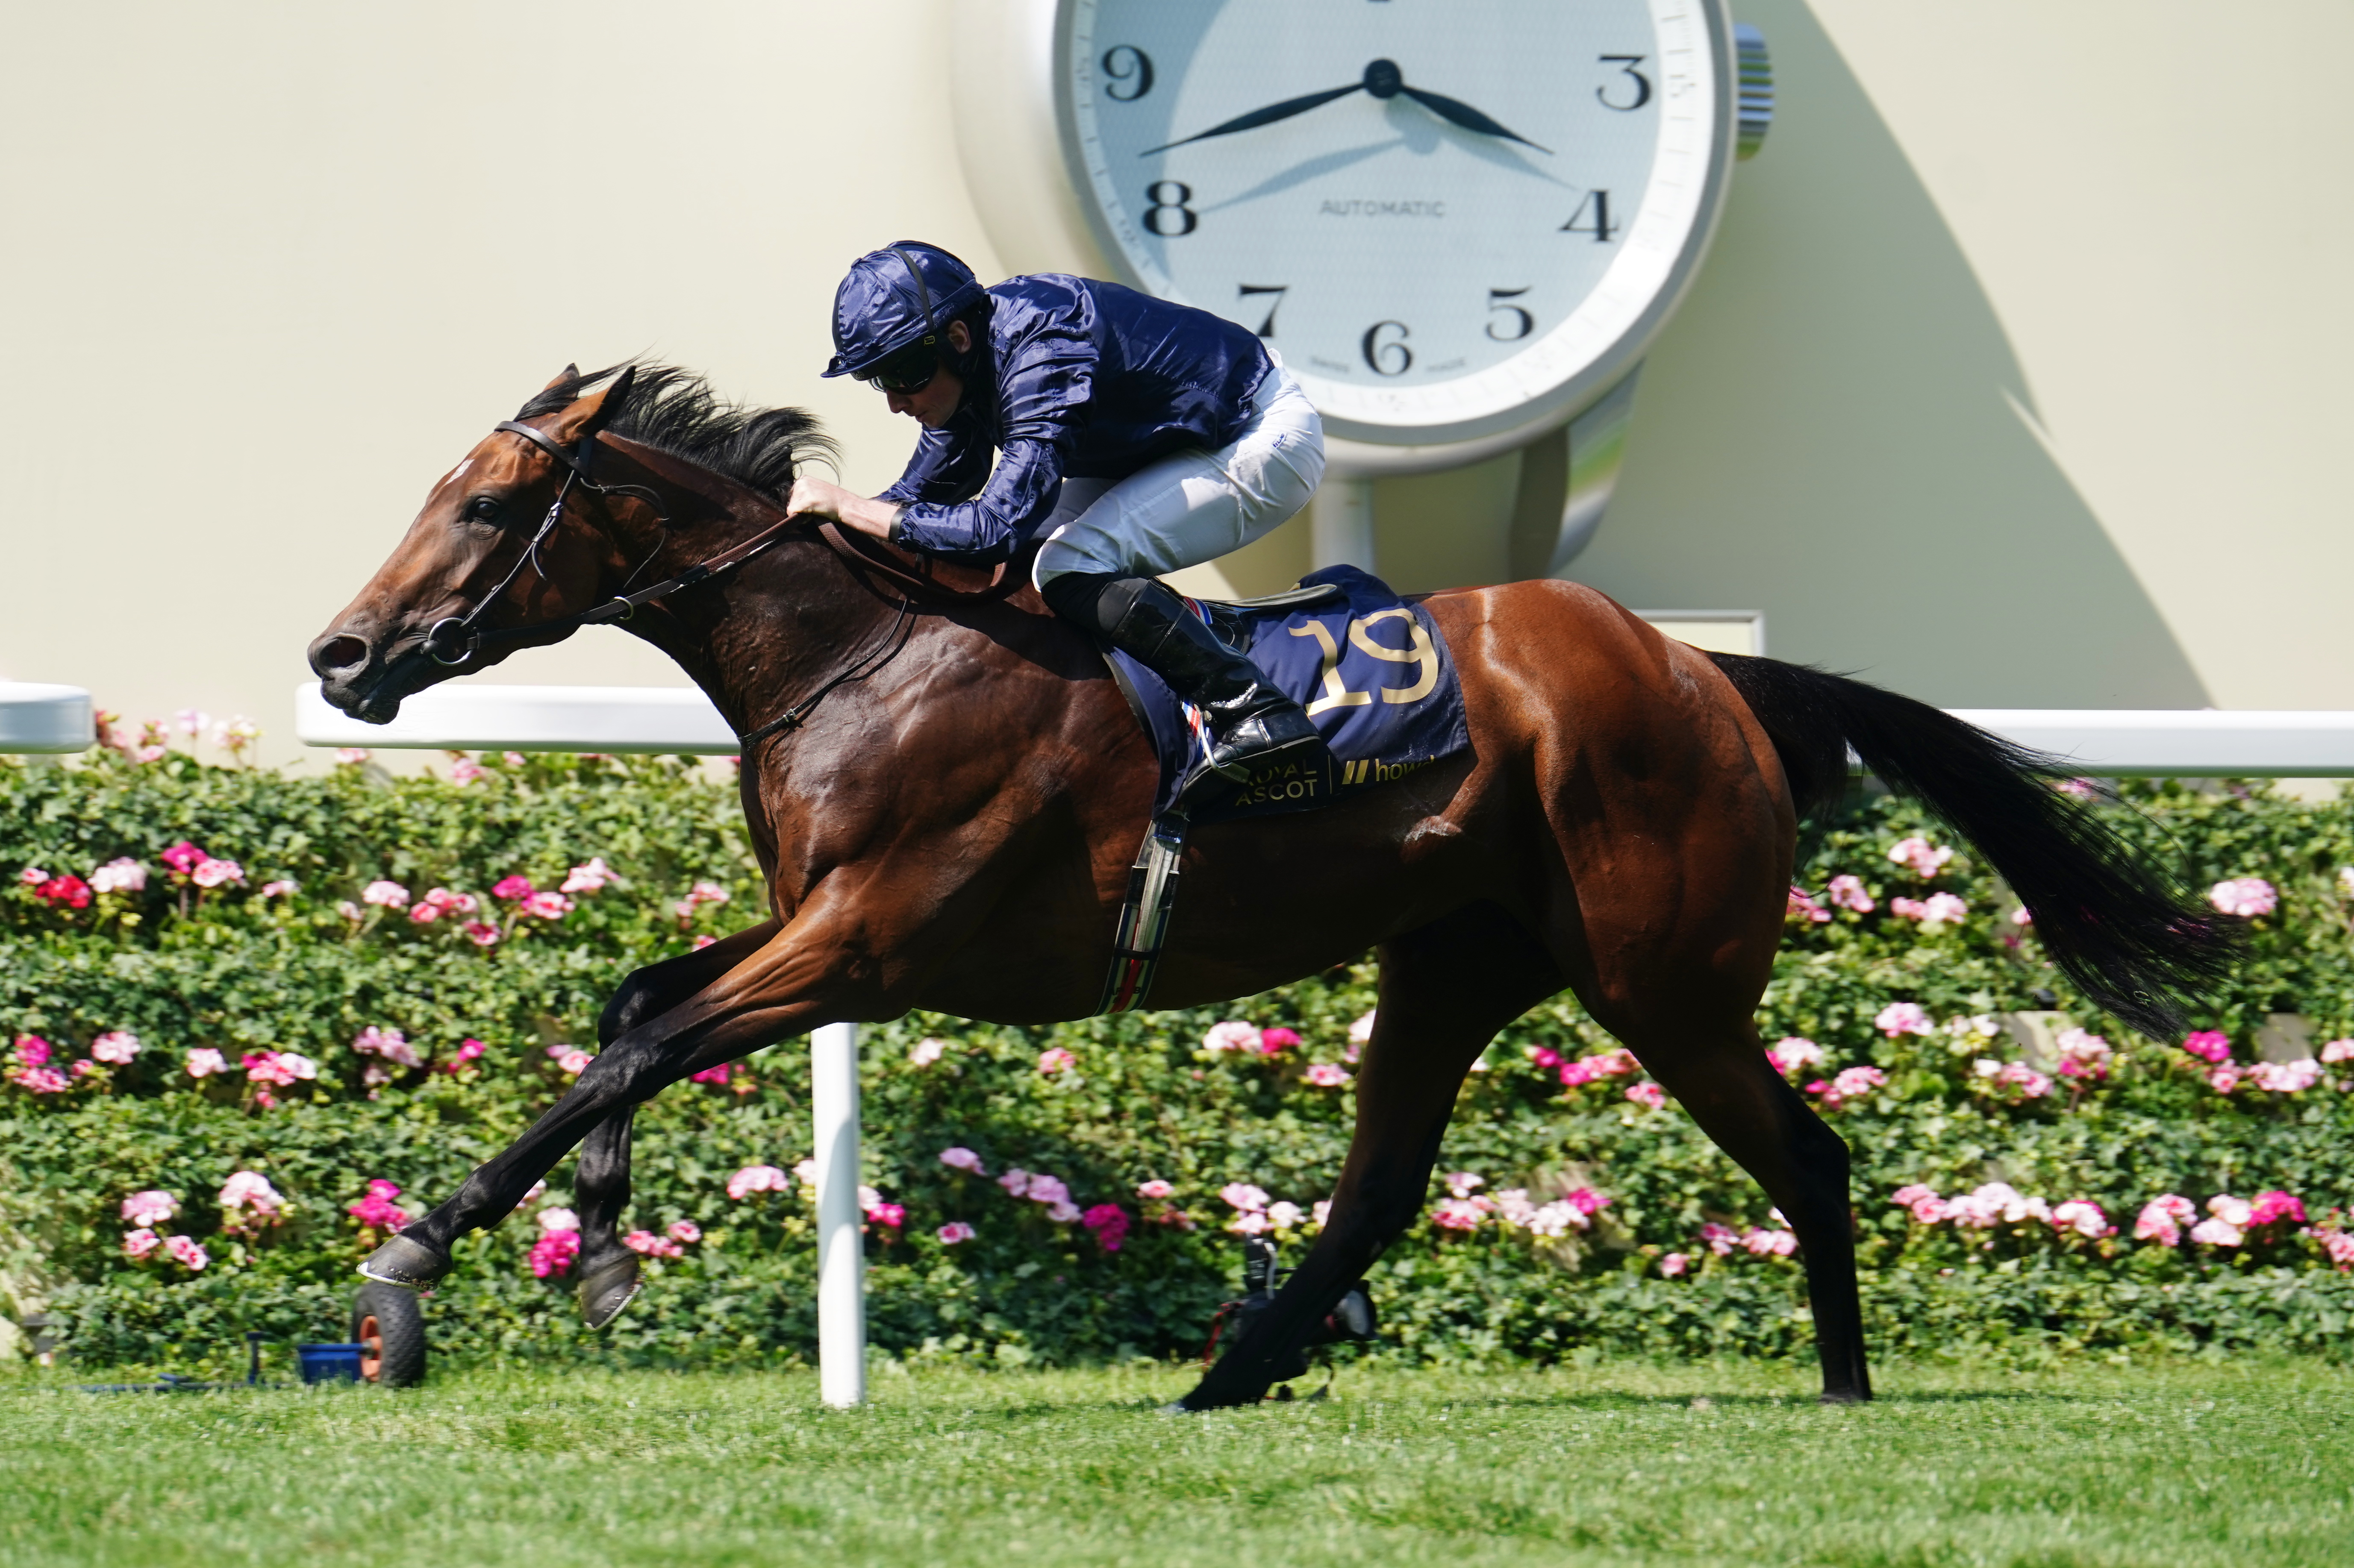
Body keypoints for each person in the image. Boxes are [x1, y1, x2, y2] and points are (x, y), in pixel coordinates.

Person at [783, 241, 1328, 783]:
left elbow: (994, 528)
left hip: (1257, 436)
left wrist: (849, 505)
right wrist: (832, 532)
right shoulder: (965, 359)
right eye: (878, 378)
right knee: (1020, 555)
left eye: (901, 372)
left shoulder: (1045, 347)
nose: (896, 401)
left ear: (957, 337)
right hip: (1173, 445)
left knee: (1067, 564)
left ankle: (1253, 709)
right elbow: (923, 500)